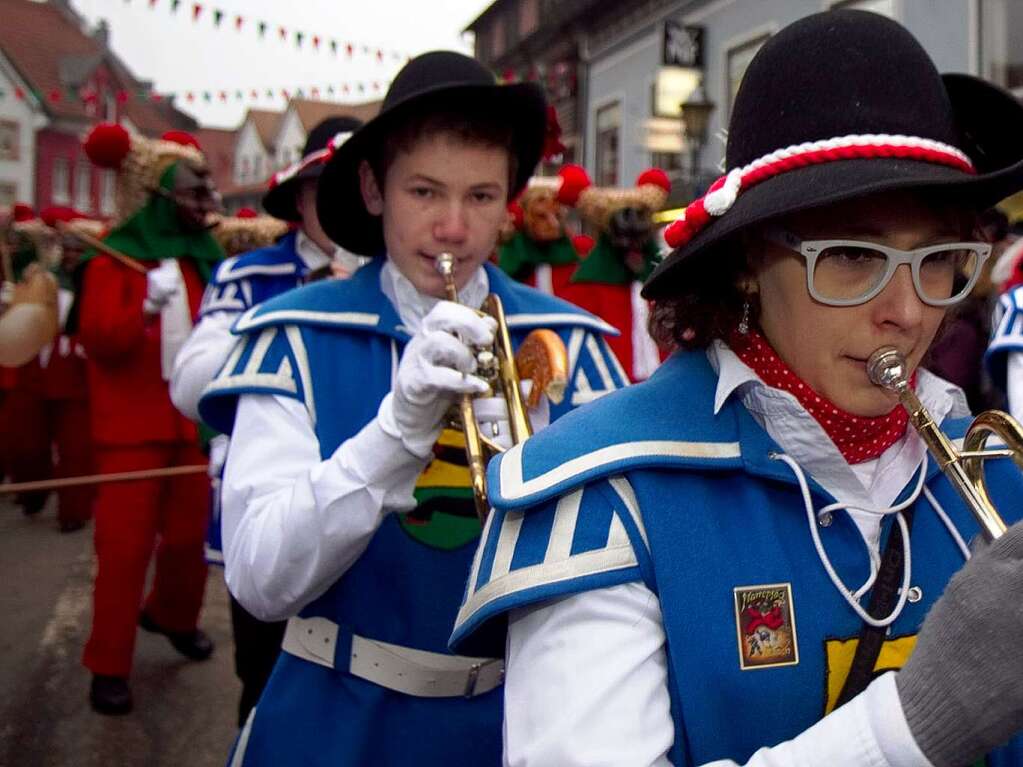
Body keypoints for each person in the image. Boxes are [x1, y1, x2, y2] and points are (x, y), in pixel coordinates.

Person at [450, 11, 1023, 766]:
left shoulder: (989, 468)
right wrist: (910, 725)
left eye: (937, 259)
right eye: (852, 256)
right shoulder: (599, 492)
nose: (908, 311)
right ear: (750, 257)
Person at [197, 51, 624, 765]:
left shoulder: (572, 344)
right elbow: (260, 580)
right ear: (373, 189)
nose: (453, 228)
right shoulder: (293, 337)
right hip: (334, 719)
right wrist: (396, 431)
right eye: (425, 192)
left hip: (511, 725)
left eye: (481, 197)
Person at [171, 117, 364, 728]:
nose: (336, 203)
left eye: (351, 185)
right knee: (263, 687)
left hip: (374, 513)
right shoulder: (249, 276)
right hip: (270, 510)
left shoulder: (407, 275)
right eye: (320, 188)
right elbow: (190, 384)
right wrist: (300, 314)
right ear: (299, 198)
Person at [76, 124, 224, 715]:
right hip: (129, 431)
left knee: (190, 540)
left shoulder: (200, 259)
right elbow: (99, 340)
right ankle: (107, 662)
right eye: (188, 195)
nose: (199, 206)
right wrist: (141, 307)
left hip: (188, 426)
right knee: (125, 549)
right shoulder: (115, 258)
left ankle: (171, 615)